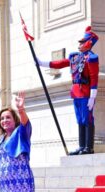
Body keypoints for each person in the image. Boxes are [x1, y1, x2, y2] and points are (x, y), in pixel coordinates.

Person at [36, 26, 99, 155]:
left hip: (86, 92)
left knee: (87, 119)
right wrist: (42, 63)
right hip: (76, 92)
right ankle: (82, 146)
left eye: (82, 42)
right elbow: (60, 63)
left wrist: (93, 96)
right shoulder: (75, 57)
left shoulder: (92, 58)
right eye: (80, 42)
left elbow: (94, 78)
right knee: (80, 120)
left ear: (89, 43)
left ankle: (89, 147)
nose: (80, 44)